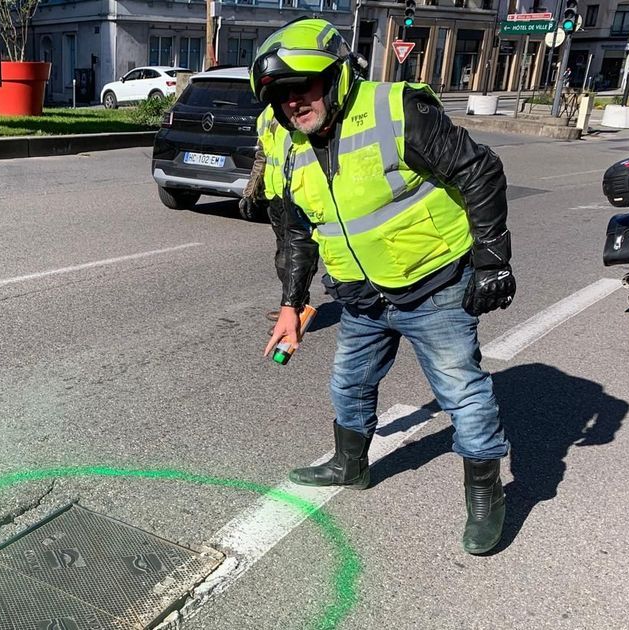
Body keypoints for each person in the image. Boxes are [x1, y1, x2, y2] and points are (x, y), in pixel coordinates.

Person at [253, 18, 516, 555]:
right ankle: (351, 466)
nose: (293, 103)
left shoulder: (394, 110)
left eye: (303, 86)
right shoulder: (278, 135)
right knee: (348, 385)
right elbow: (294, 230)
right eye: (279, 94)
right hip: (361, 296)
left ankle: (487, 496)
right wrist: (291, 304)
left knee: (463, 393)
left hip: (434, 285)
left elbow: (479, 170)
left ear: (337, 77)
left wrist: (492, 261)